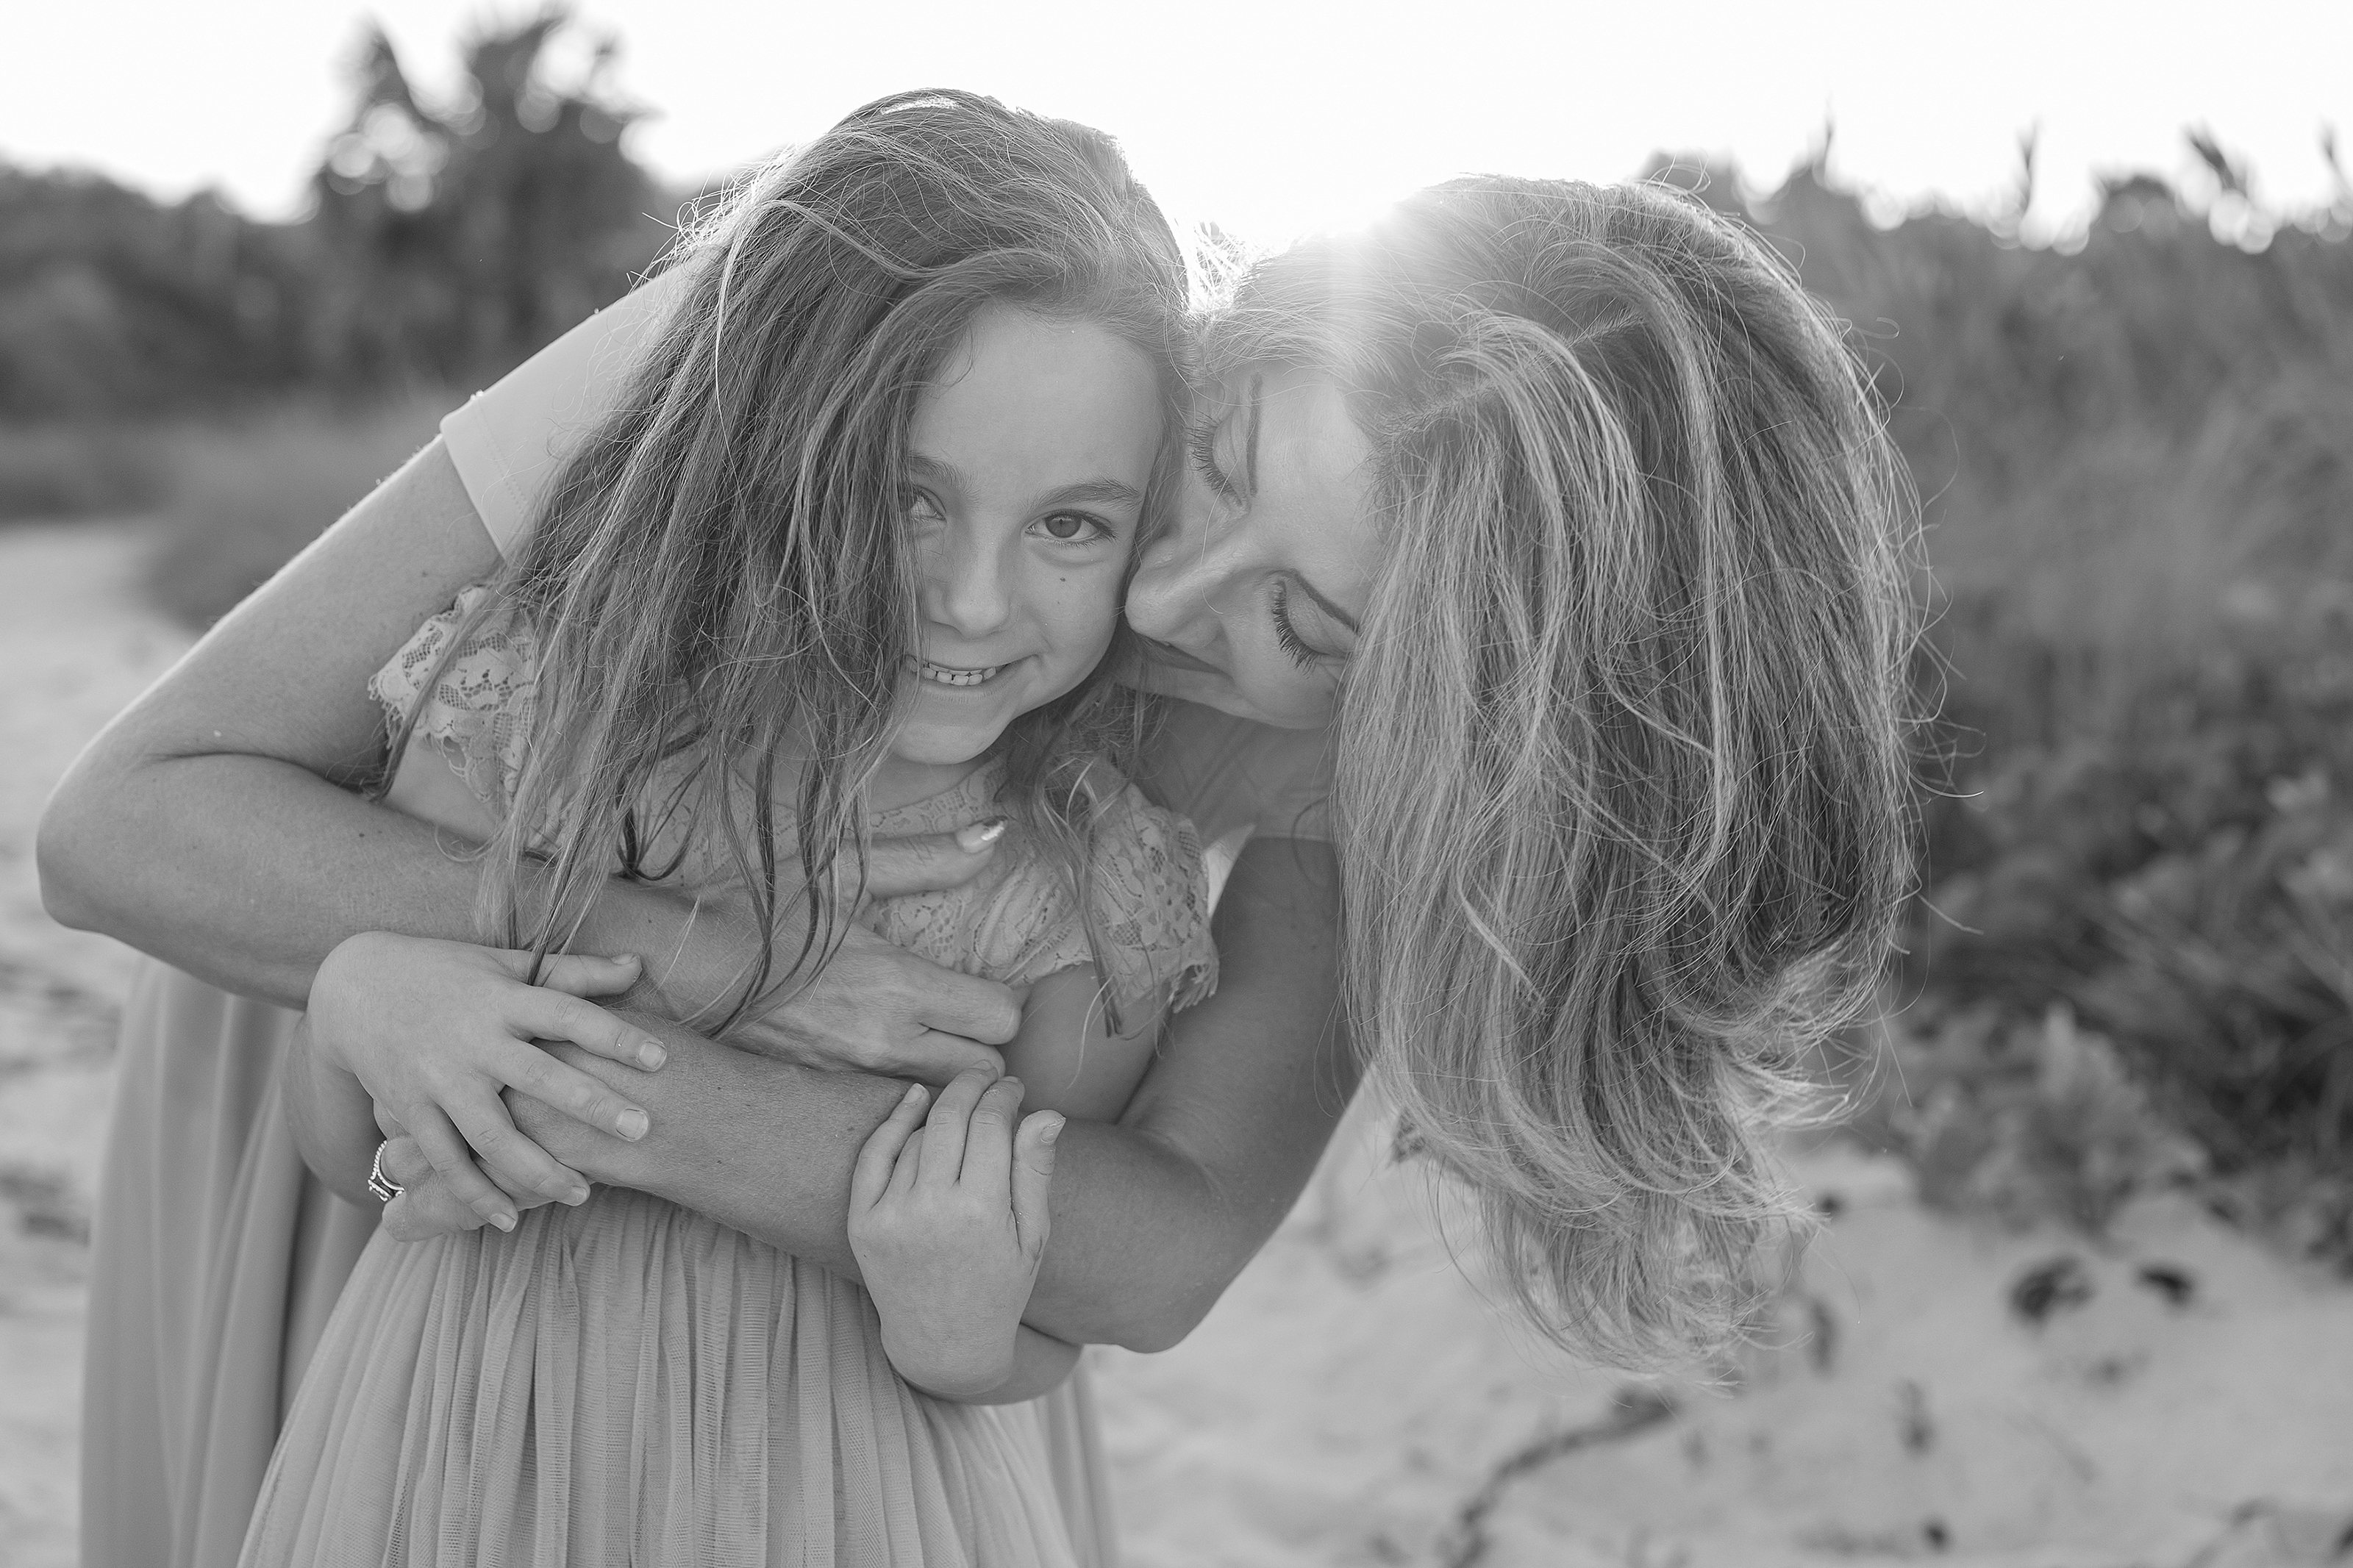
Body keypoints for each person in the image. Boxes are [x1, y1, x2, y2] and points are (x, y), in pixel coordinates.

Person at [40, 143, 1911, 1562]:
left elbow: (1157, 1246)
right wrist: (709, 966)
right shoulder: (810, 319)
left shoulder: (1382, 768)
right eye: (1226, 466)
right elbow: (130, 818)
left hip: (750, 1242)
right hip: (360, 988)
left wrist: (672, 1102)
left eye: (1313, 634)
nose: (1176, 598)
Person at [238, 90, 1229, 1562]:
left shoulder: (1087, 882)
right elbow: (354, 1157)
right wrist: (354, 1003)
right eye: (908, 499)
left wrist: (964, 1335)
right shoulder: (549, 724)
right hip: (462, 1451)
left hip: (841, 1493)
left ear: (1147, 535)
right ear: (782, 457)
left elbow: (1038, 1311)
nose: (969, 598)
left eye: (1069, 524)